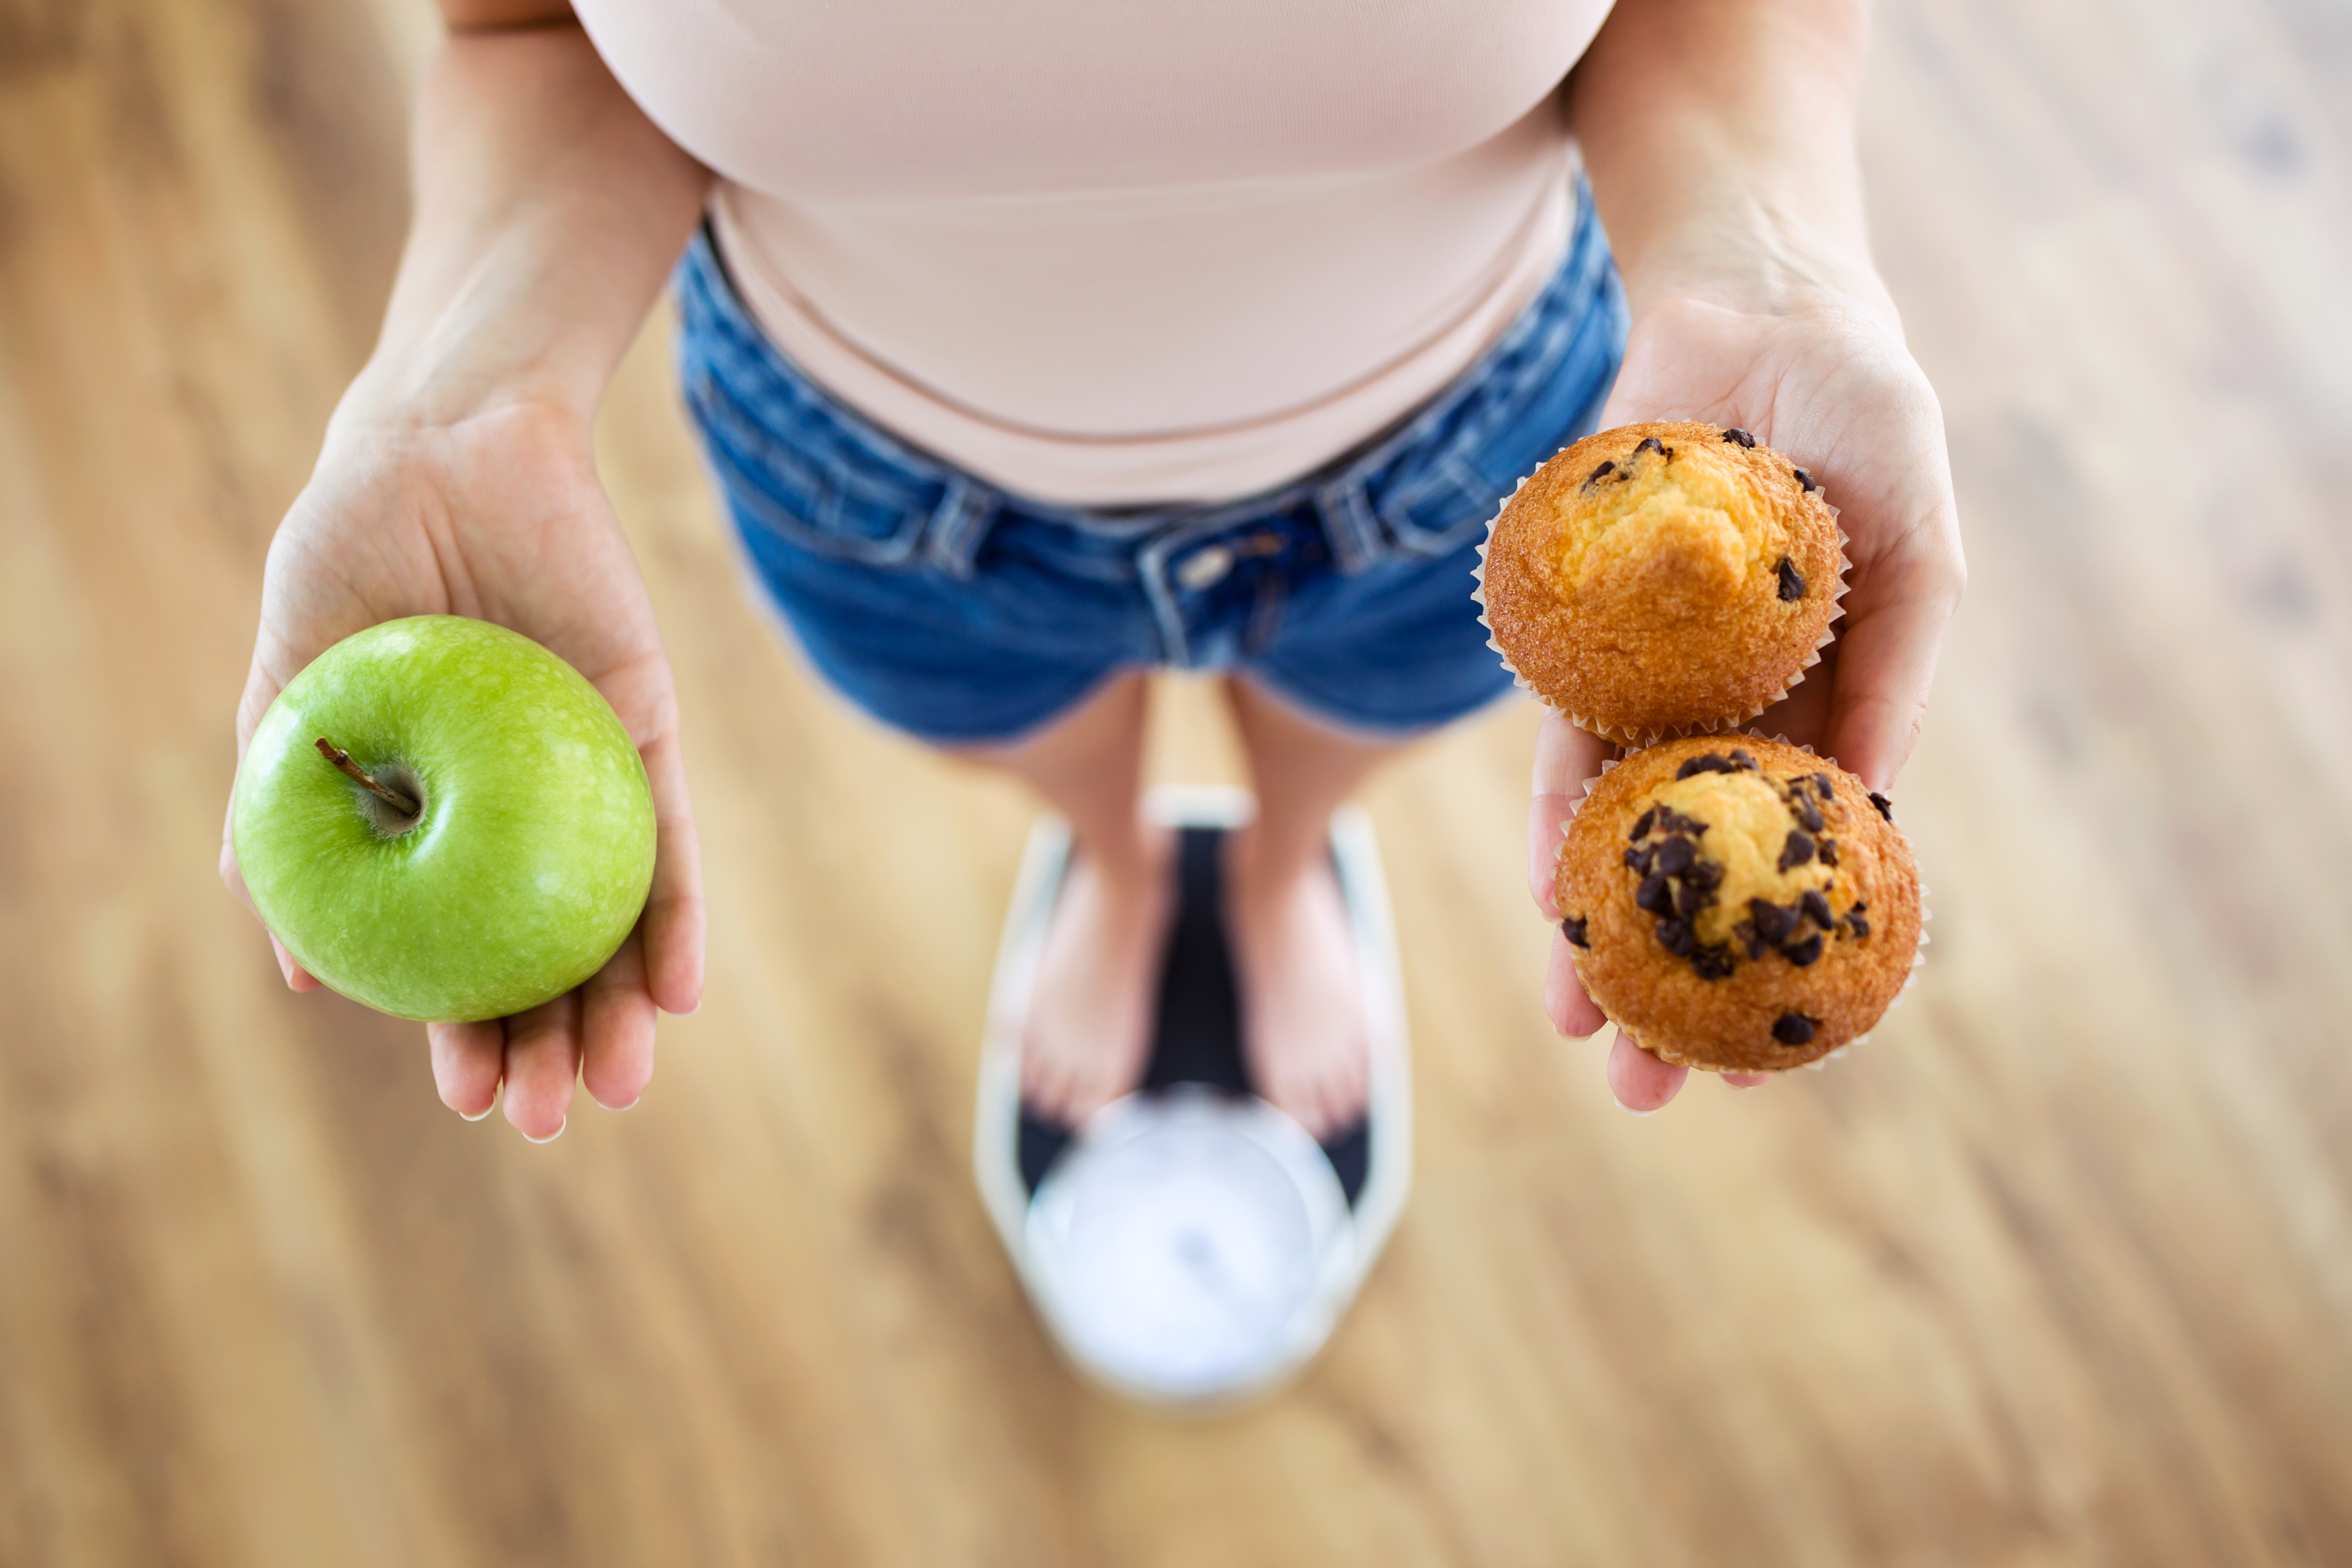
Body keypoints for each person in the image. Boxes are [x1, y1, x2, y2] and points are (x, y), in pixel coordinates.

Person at [220, 0, 1963, 1143]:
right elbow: (529, 31)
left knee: (1352, 720)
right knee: (1021, 739)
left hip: (1480, 458)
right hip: (872, 480)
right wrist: (456, 394)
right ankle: (1120, 868)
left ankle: (1280, 873)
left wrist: (1780, 284)